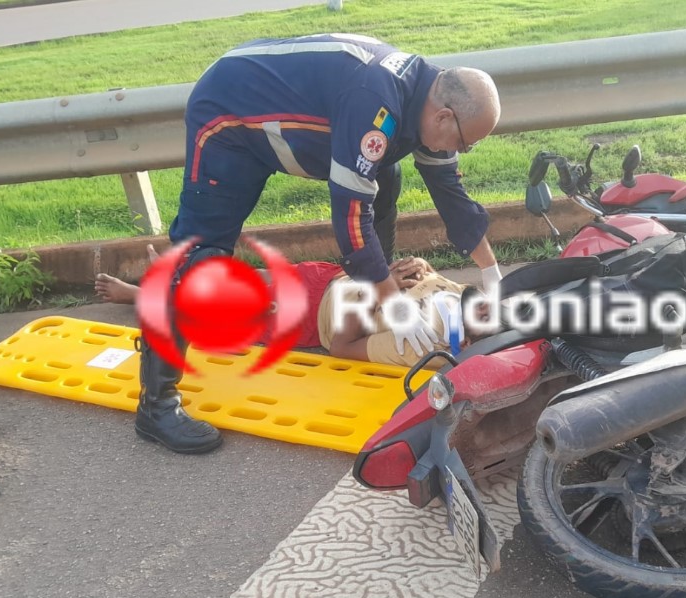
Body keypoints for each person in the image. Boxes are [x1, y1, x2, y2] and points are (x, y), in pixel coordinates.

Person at [137, 33, 504, 454]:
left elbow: (453, 200)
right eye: (465, 142)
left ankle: (370, 299)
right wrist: (397, 307)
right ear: (443, 117)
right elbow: (350, 219)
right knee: (199, 256)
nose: (462, 150)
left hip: (292, 120)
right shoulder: (376, 103)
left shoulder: (429, 100)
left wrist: (492, 275)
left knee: (386, 176)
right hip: (231, 115)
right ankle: (157, 404)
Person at [96, 249, 471, 368]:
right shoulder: (465, 298)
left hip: (309, 314)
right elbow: (427, 281)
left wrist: (377, 294)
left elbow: (342, 347)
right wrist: (415, 267)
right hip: (333, 280)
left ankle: (142, 295)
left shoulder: (432, 345)